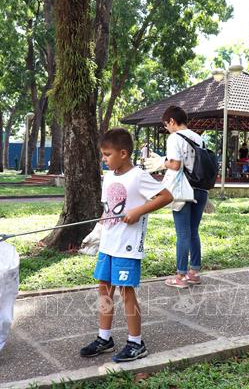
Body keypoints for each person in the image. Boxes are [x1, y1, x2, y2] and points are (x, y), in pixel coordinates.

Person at [80, 128, 172, 362]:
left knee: (126, 292)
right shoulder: (109, 177)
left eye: (107, 154)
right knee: (104, 289)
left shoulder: (138, 176)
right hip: (108, 244)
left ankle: (136, 342)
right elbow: (108, 209)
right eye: (102, 154)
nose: (104, 158)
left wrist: (138, 211)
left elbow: (165, 196)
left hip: (127, 246)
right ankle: (105, 338)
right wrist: (98, 229)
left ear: (123, 153)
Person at [161, 105, 208, 288]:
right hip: (201, 189)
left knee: (182, 233)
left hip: (182, 190)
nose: (167, 129)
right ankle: (194, 273)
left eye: (166, 125)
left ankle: (180, 276)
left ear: (172, 121)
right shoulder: (199, 138)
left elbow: (175, 165)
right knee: (193, 232)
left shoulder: (174, 137)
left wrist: (161, 162)